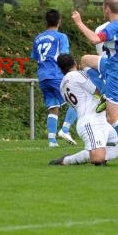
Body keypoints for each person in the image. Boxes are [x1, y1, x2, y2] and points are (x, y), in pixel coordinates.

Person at [71, 0, 118, 167]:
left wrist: (79, 22)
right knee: (85, 60)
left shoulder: (113, 27)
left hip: (116, 72)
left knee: (112, 117)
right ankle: (104, 91)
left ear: (107, 9)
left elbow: (95, 39)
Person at [49, 54, 118, 166]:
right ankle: (67, 160)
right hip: (91, 122)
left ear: (60, 69)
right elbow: (99, 91)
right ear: (74, 62)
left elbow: (100, 96)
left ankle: (102, 152)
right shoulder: (77, 75)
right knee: (98, 158)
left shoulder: (62, 85)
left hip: (101, 121)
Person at [31, 9, 78, 147]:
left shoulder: (38, 38)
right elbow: (63, 56)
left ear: (46, 22)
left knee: (53, 106)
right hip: (56, 74)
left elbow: (35, 57)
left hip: (43, 76)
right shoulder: (61, 37)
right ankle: (65, 130)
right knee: (77, 101)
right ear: (59, 21)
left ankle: (52, 141)